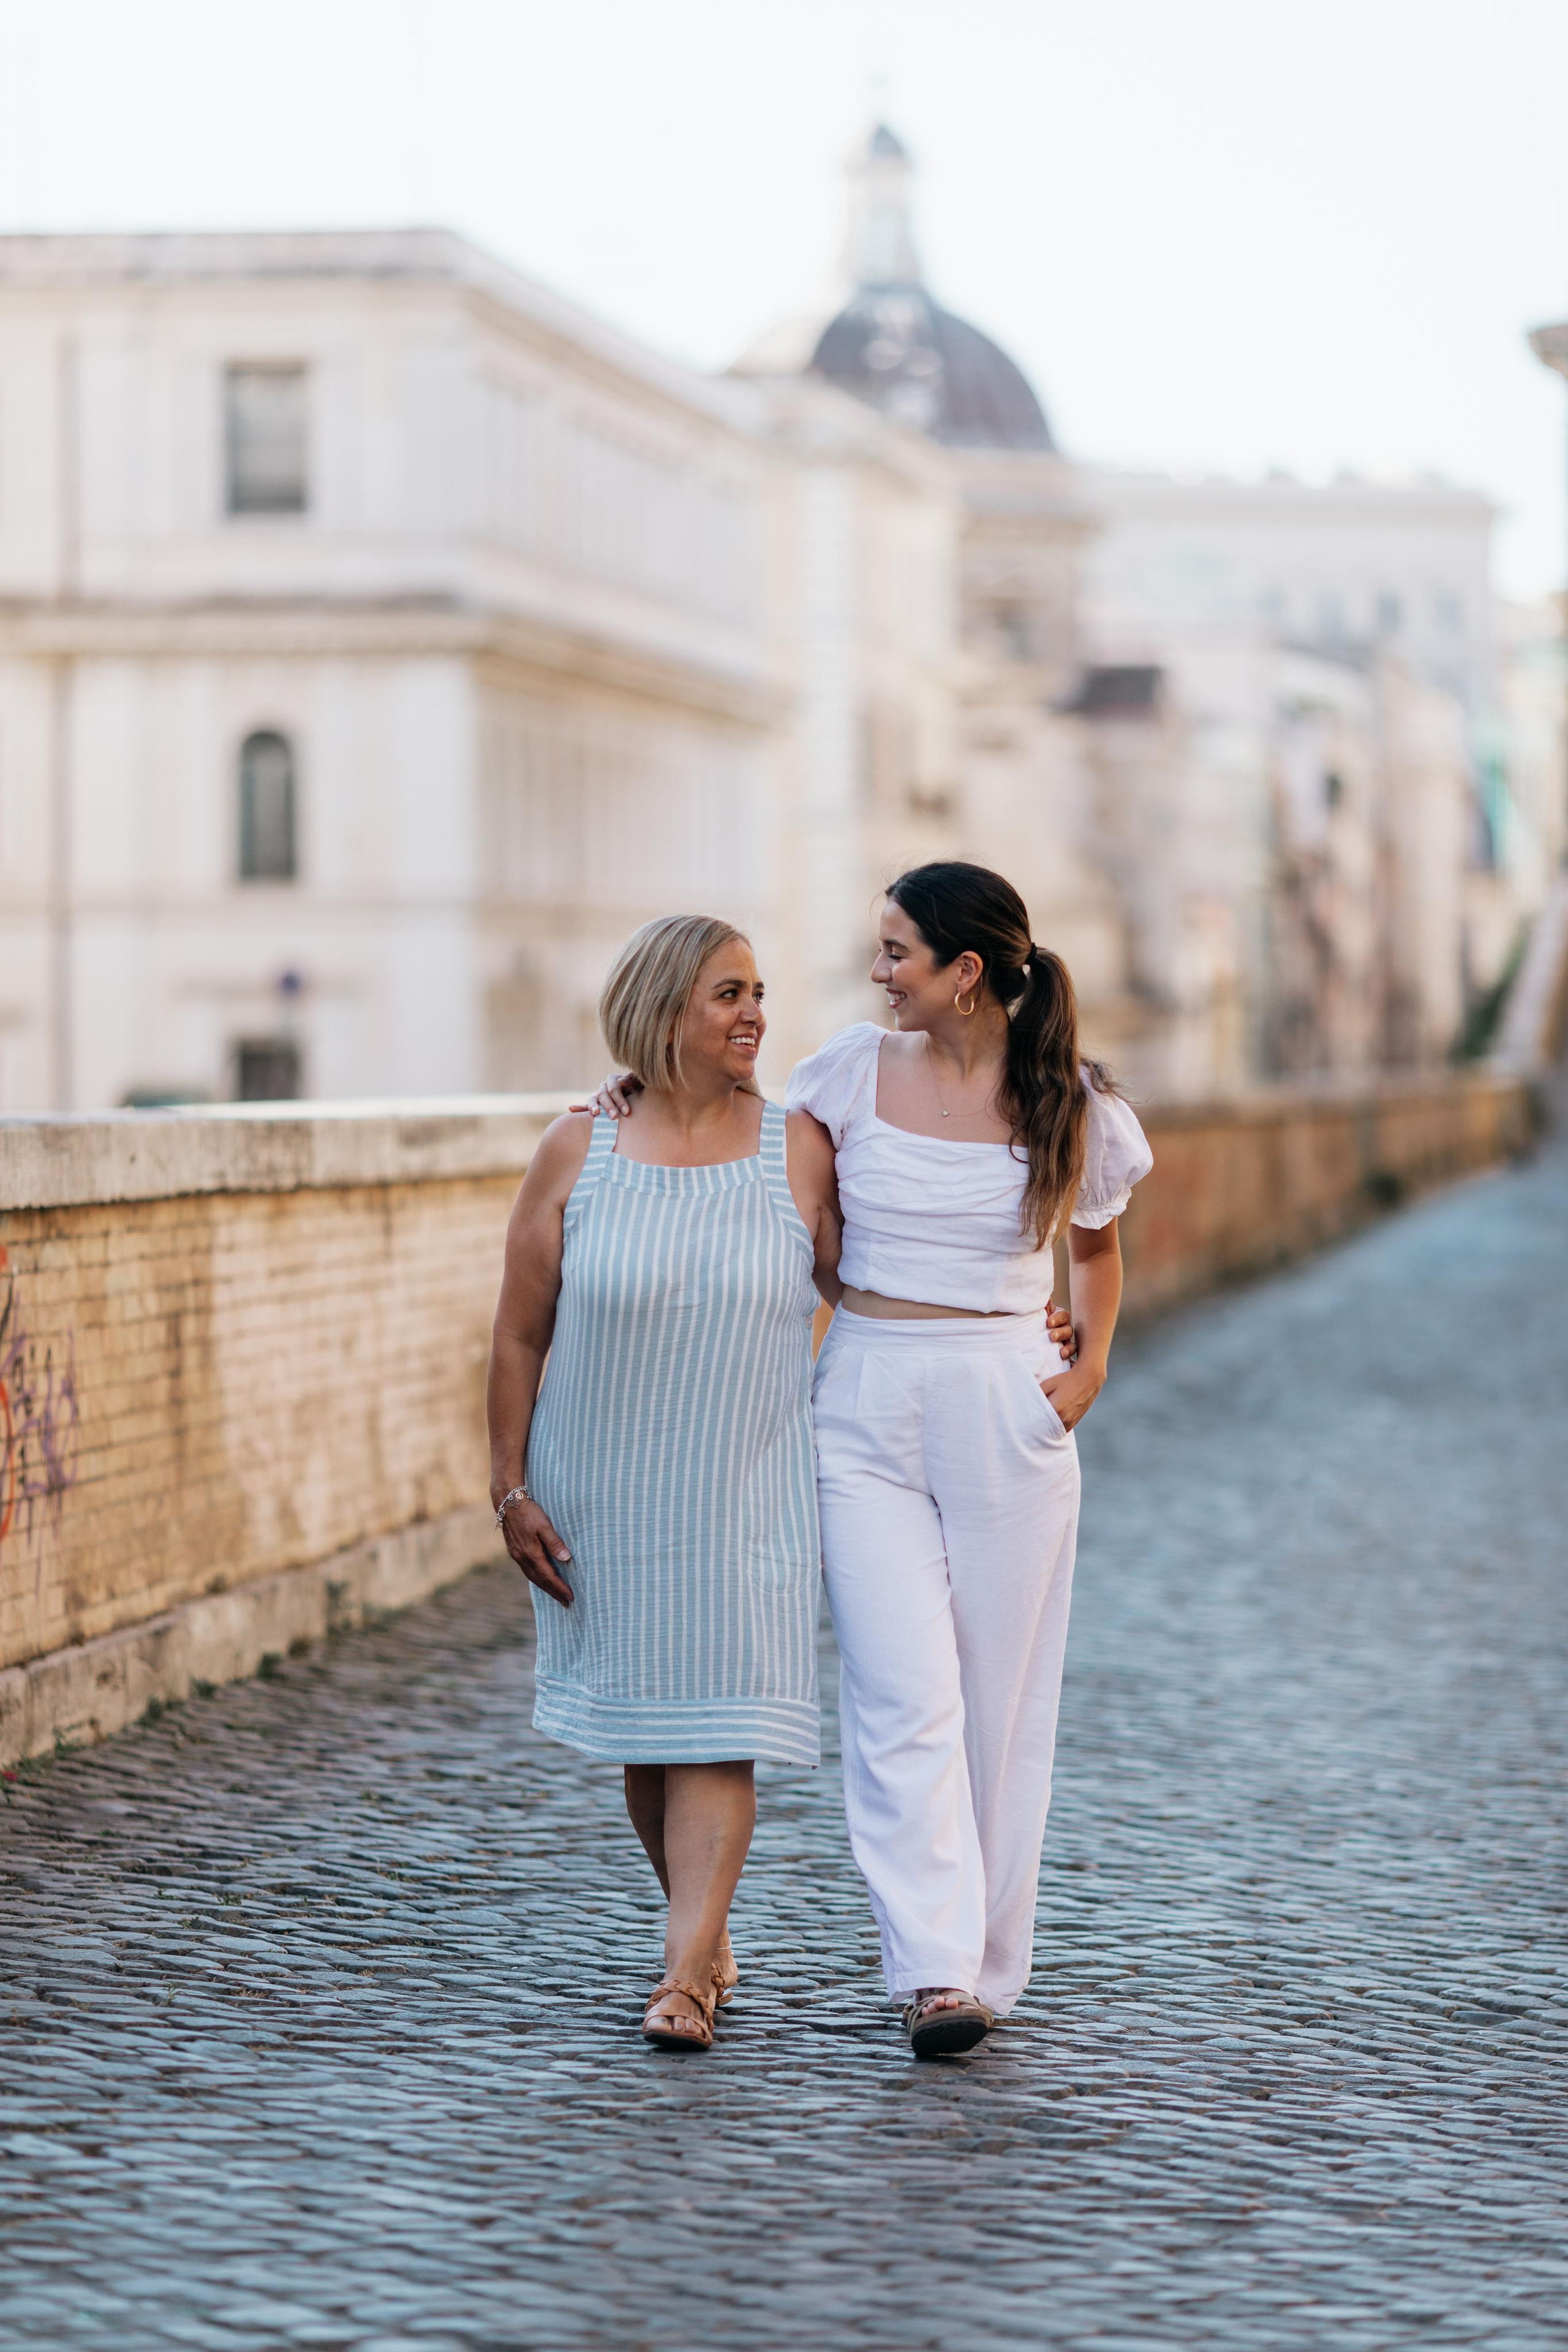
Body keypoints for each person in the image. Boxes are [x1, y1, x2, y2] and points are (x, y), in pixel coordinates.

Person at [595, 864, 1150, 2057]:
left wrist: (1086, 1368)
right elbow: (758, 1181)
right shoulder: (844, 1073)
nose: (874, 970)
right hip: (865, 1398)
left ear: (963, 973)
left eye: (896, 951)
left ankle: (991, 1960)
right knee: (899, 1693)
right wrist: (632, 1098)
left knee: (999, 1700)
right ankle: (934, 1972)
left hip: (1005, 1403)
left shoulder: (1074, 1105)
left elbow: (1095, 1251)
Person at [487, 916, 840, 2051]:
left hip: (745, 1488)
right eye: (729, 994)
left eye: (759, 993)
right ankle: (703, 1929)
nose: (756, 1016)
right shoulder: (575, 1149)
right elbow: (519, 1336)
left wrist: (1014, 1316)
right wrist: (509, 1489)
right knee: (651, 1740)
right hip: (606, 1488)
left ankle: (686, 1978)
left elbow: (882, 1288)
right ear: (663, 1010)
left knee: (719, 1733)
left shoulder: (801, 1146)